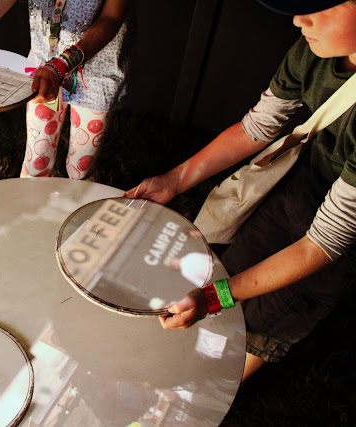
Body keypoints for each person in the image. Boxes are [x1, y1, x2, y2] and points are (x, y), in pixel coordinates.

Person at [125, 0, 356, 381]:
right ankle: (186, 361)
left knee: (270, 319)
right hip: (299, 184)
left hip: (338, 243)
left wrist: (213, 299)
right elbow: (259, 126)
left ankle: (206, 390)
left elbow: (325, 243)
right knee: (232, 271)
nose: (299, 19)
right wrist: (175, 180)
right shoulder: (315, 48)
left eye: (324, 5)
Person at [0, 0, 135, 180]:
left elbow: (111, 16)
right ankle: (30, 218)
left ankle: (80, 219)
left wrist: (62, 65)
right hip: (42, 67)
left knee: (80, 168)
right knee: (37, 159)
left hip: (97, 74)